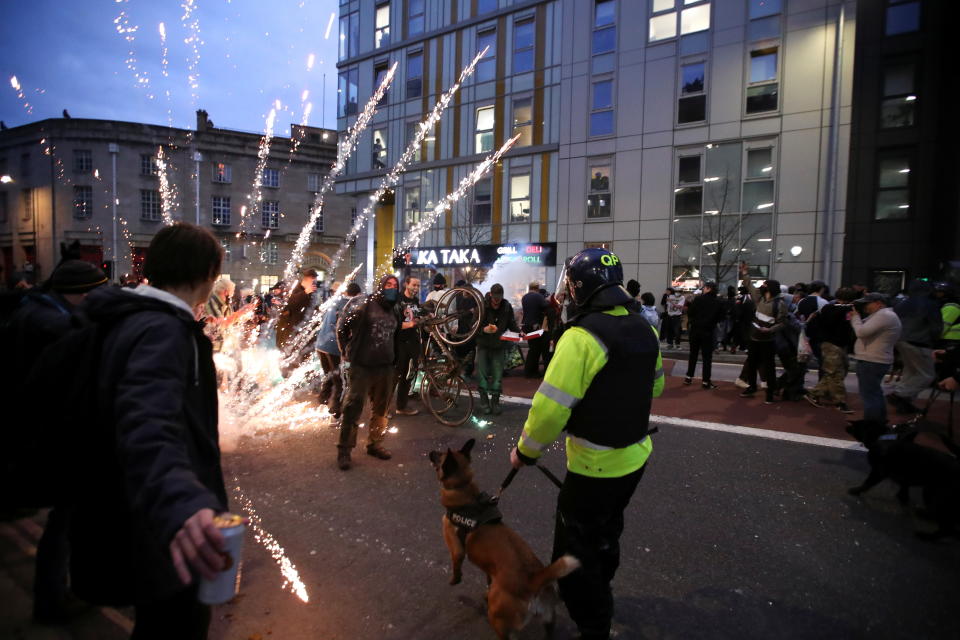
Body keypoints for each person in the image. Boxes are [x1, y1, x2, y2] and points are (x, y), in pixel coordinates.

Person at [69, 223, 229, 638]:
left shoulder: (136, 319)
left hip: (143, 508)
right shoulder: (162, 331)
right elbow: (146, 421)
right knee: (176, 624)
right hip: (168, 521)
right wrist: (183, 500)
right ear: (209, 272)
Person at [509, 248, 664, 640]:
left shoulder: (581, 337)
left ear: (579, 289)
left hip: (594, 465)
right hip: (635, 456)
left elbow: (549, 410)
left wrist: (526, 451)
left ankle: (593, 624)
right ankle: (603, 587)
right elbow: (657, 385)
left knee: (574, 553)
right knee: (607, 531)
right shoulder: (644, 327)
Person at [7, 259, 107, 623]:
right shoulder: (56, 325)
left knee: (65, 517)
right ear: (82, 295)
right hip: (54, 436)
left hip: (33, 431)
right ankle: (51, 602)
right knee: (65, 519)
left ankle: (55, 594)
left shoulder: (32, 310)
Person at [335, 274, 402, 470]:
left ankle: (375, 443)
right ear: (381, 286)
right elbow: (342, 325)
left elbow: (396, 334)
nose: (391, 288)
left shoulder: (396, 308)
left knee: (382, 409)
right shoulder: (365, 303)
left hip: (386, 366)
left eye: (394, 285)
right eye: (388, 284)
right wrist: (345, 349)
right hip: (362, 365)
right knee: (353, 407)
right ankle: (345, 450)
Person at [886, 280, 943, 414]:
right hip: (920, 342)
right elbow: (936, 328)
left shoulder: (902, 303)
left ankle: (904, 403)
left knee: (910, 372)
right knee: (926, 375)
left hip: (900, 340)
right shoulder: (931, 305)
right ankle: (900, 394)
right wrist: (935, 341)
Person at [849, 292, 901, 424]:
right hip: (875, 359)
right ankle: (879, 421)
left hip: (872, 360)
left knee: (869, 395)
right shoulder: (884, 315)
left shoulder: (884, 315)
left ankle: (872, 424)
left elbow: (861, 332)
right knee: (875, 392)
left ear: (879, 303)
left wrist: (855, 318)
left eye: (868, 303)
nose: (865, 306)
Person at [738, 262, 786, 404]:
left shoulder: (779, 304)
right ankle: (752, 387)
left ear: (770, 288)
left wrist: (770, 329)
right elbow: (749, 286)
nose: (762, 285)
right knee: (751, 365)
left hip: (767, 340)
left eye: (765, 284)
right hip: (754, 338)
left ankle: (770, 393)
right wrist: (745, 273)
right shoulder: (760, 299)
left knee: (769, 367)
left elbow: (783, 323)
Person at [804, 287, 857, 413]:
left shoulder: (827, 308)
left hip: (827, 343)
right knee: (836, 373)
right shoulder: (849, 310)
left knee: (834, 372)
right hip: (836, 345)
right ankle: (840, 402)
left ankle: (815, 393)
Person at [316, 282, 361, 418]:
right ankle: (336, 413)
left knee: (329, 375)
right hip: (334, 347)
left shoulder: (334, 301)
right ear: (357, 295)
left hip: (321, 345)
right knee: (340, 381)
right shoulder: (350, 306)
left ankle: (322, 400)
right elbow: (347, 330)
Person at [474, 283, 517, 414]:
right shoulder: (482, 306)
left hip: (499, 345)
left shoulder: (506, 307)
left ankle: (495, 402)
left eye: (499, 298)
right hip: (483, 345)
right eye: (494, 298)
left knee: (498, 376)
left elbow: (511, 323)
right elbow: (472, 326)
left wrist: (520, 332)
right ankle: (484, 402)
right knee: (482, 375)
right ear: (490, 295)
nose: (496, 301)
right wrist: (483, 329)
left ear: (502, 296)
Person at [684, 281, 723, 389]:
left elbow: (690, 312)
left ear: (708, 288)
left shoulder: (698, 299)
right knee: (707, 357)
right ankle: (706, 381)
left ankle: (689, 377)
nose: (703, 289)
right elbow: (720, 317)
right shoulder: (718, 302)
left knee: (693, 354)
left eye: (704, 287)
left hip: (695, 330)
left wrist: (693, 321)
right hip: (708, 331)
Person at [276, 268, 318, 366]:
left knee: (305, 356)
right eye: (313, 280)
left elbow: (312, 308)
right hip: (292, 330)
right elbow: (289, 303)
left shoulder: (311, 293)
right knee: (291, 357)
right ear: (307, 279)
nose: (314, 283)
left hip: (306, 330)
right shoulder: (295, 289)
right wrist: (305, 292)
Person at [394, 276, 423, 416]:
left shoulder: (415, 301)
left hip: (413, 343)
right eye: (414, 285)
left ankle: (401, 406)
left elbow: (415, 317)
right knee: (394, 377)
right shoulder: (398, 299)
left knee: (408, 376)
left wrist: (421, 319)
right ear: (406, 284)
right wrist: (409, 324)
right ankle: (383, 409)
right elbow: (393, 323)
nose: (416, 288)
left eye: (418, 286)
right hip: (399, 344)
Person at [522, 281, 551, 378]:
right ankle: (530, 372)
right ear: (537, 288)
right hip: (536, 326)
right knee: (536, 350)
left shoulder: (524, 297)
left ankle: (530, 371)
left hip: (527, 325)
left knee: (533, 348)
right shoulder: (538, 296)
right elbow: (546, 305)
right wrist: (548, 300)